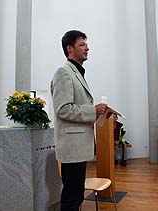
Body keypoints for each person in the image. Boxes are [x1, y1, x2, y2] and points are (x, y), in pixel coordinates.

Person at [51, 30, 108, 211]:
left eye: (86, 44)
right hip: (72, 147)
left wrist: (101, 113)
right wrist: (94, 110)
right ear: (70, 49)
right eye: (82, 45)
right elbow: (63, 109)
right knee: (72, 195)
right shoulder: (64, 72)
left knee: (76, 193)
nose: (87, 48)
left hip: (78, 146)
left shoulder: (76, 73)